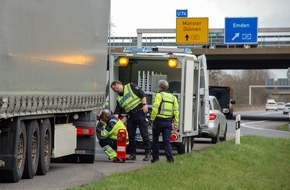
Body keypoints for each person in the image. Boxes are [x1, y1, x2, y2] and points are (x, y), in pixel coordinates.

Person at [110, 80, 151, 161]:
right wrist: (114, 119)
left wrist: (144, 105)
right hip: (131, 116)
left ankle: (148, 154)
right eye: (114, 89)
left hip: (140, 113)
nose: (116, 89)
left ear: (120, 84)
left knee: (144, 134)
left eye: (116, 86)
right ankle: (132, 154)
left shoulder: (130, 86)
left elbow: (142, 94)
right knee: (130, 136)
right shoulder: (119, 98)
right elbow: (118, 110)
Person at [150, 80, 179, 163]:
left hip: (158, 121)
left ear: (160, 87)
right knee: (167, 141)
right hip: (168, 122)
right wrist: (176, 123)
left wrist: (152, 119)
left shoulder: (159, 95)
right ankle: (170, 159)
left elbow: (155, 108)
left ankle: (155, 159)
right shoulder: (174, 97)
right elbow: (176, 112)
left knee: (155, 140)